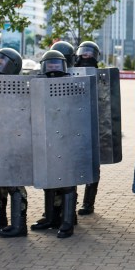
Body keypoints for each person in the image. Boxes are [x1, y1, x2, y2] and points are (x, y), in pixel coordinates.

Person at [0, 48, 29, 238]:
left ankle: (19, 225)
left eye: (2, 63)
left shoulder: (20, 87)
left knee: (14, 185)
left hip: (14, 143)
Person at [34, 49, 78, 238]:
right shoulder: (37, 84)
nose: (52, 69)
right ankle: (51, 217)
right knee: (49, 180)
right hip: (47, 137)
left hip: (67, 138)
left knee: (67, 182)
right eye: (49, 65)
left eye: (56, 65)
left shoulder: (74, 84)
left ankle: (67, 221)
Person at [74, 40, 102, 216]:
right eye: (84, 53)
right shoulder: (71, 73)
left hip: (93, 125)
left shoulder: (101, 76)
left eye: (90, 54)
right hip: (73, 124)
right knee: (72, 164)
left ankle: (88, 203)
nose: (86, 56)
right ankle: (69, 202)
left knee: (92, 165)